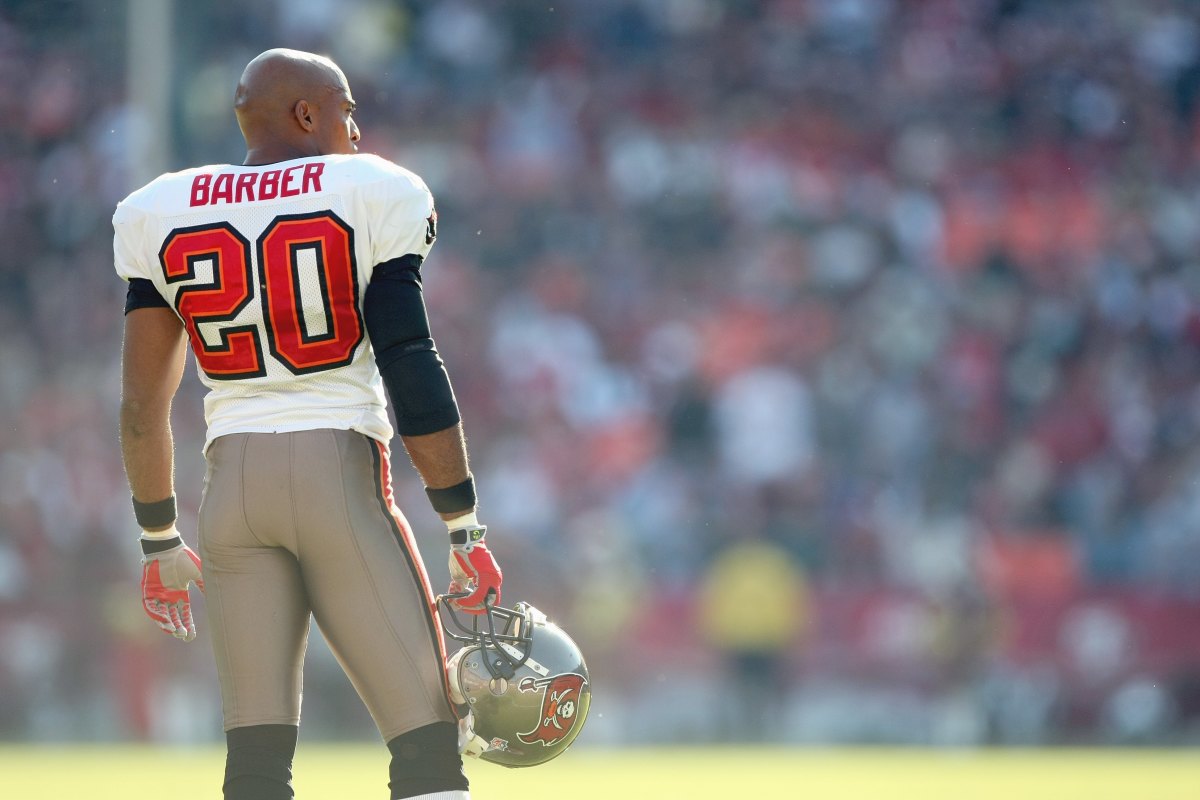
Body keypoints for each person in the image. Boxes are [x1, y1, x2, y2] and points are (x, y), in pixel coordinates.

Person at [114, 48, 502, 800]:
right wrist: (463, 526)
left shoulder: (163, 207)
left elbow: (140, 408)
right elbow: (409, 360)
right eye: (347, 112)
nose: (354, 132)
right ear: (307, 114)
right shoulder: (371, 189)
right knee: (428, 751)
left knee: (255, 769)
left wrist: (159, 538)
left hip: (229, 498)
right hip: (337, 477)